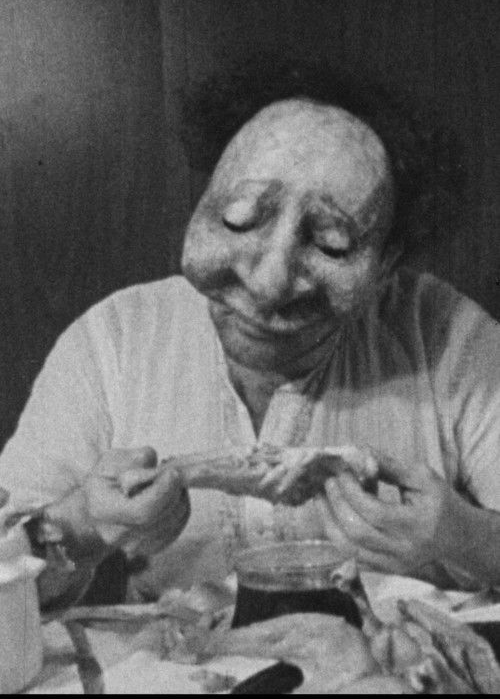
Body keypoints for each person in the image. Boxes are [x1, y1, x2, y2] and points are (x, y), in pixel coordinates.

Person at [1, 58, 500, 610]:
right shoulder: (115, 340)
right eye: (239, 220)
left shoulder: (449, 337)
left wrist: (466, 537)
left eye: (331, 244)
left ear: (386, 263)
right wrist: (81, 525)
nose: (269, 283)